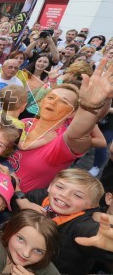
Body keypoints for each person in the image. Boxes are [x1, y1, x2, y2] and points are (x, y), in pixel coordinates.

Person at [8, 58, 113, 192]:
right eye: (51, 98)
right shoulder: (26, 122)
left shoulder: (63, 141)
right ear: (41, 102)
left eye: (63, 101)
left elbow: (78, 134)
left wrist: (90, 106)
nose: (53, 102)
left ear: (72, 114)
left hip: (15, 203)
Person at [18, 169, 113, 275]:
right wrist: (20, 199)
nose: (64, 195)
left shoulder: (81, 225)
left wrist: (107, 242)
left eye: (78, 195)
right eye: (59, 187)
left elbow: (92, 233)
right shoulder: (37, 197)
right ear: (50, 186)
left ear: (91, 206)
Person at [0, 210, 60, 275]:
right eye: (21, 239)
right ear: (10, 231)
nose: (26, 254)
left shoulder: (42, 263)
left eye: (38, 251)